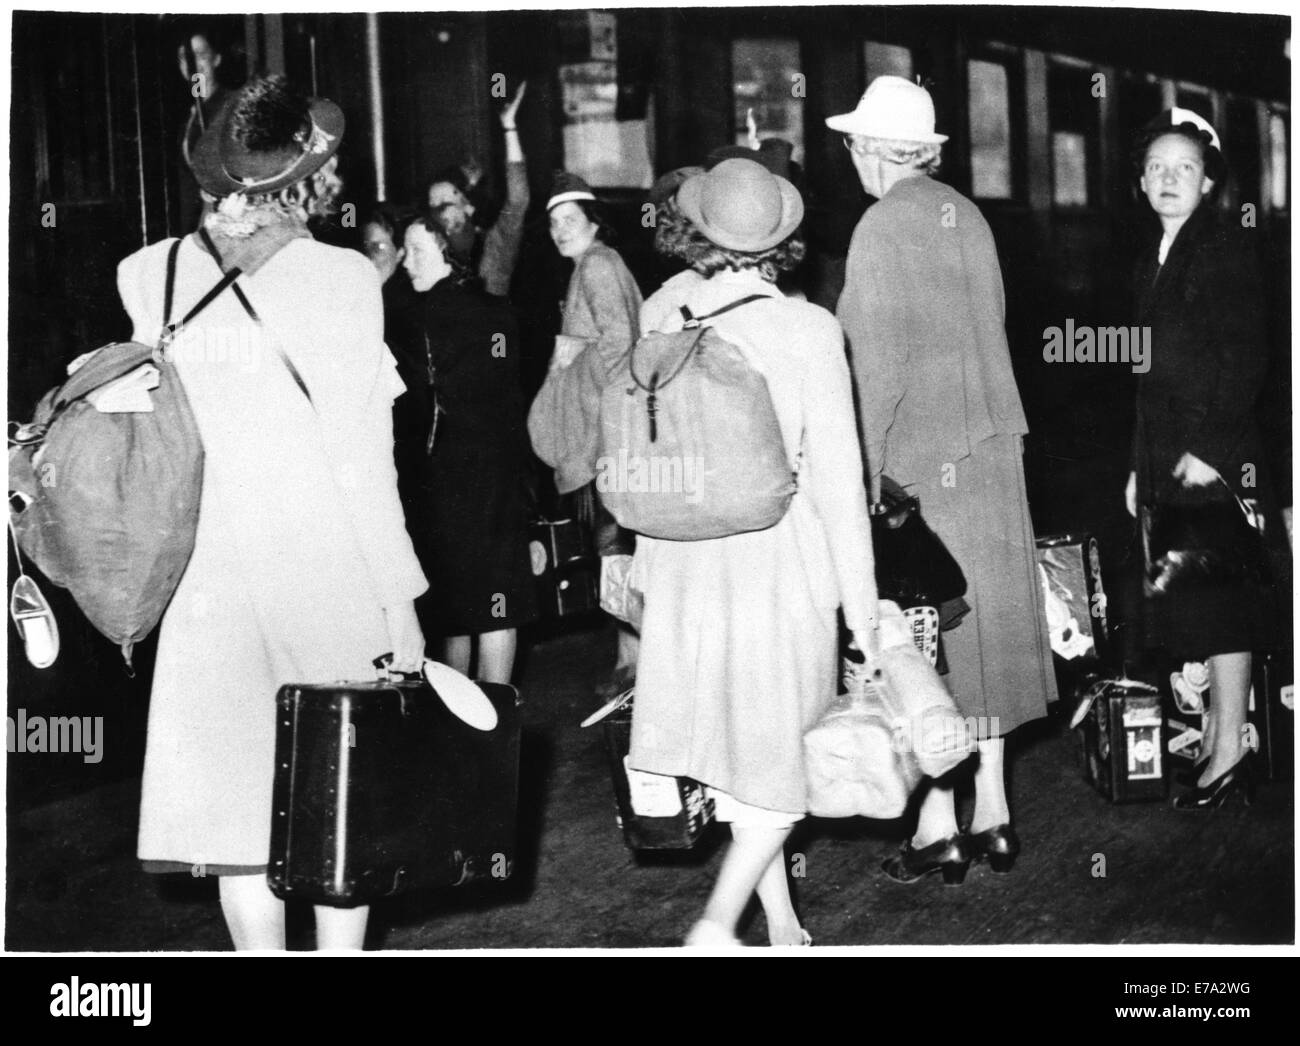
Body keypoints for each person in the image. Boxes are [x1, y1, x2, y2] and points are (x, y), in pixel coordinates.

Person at [120, 76, 427, 950]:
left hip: (203, 585)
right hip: (323, 571)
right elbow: (365, 466)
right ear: (302, 183)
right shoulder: (343, 280)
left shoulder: (148, 274)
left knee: (238, 810)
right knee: (337, 798)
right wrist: (400, 603)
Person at [626, 159, 880, 946]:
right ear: (782, 242)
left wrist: (642, 571)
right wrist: (862, 610)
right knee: (781, 763)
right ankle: (714, 924)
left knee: (740, 757)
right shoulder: (809, 330)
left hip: (684, 563)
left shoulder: (665, 314)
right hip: (777, 563)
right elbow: (840, 482)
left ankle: (781, 921)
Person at [829, 76, 1057, 883]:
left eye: (852, 144)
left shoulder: (880, 226)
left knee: (926, 640)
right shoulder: (968, 214)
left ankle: (937, 824)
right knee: (985, 636)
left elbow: (875, 366)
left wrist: (861, 474)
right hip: (992, 451)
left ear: (869, 149)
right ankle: (992, 811)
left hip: (920, 468)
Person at [1126, 109, 1279, 808]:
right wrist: (1141, 466)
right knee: (1199, 600)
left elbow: (1247, 357)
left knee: (1222, 607)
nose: (1169, 178)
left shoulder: (1221, 248)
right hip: (1170, 456)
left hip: (1213, 458)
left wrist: (1209, 450)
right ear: (1141, 181)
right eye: (1156, 167)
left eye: (1184, 167)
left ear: (1207, 182)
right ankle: (1221, 734)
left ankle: (1228, 753)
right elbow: (1147, 375)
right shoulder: (1156, 254)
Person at [389, 213, 539, 682]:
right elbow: (511, 399)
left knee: (453, 609)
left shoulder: (410, 318)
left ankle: (456, 715)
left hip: (439, 480)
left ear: (447, 252)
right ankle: (496, 712)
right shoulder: (498, 315)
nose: (406, 261)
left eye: (417, 250)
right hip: (494, 479)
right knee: (496, 605)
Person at [530, 171, 644, 699]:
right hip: (607, 430)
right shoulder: (594, 265)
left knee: (613, 544)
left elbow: (619, 345)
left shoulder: (597, 264)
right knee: (615, 547)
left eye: (569, 219)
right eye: (553, 222)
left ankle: (638, 664)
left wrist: (573, 365)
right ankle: (630, 659)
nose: (559, 230)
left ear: (594, 222)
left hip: (605, 434)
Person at [428, 81, 530, 299]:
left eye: (445, 202)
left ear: (467, 204)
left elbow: (518, 199)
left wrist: (509, 126)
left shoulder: (494, 245)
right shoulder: (426, 244)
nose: (438, 210)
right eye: (433, 204)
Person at [176, 27, 235, 232]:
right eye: (185, 57)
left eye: (200, 54)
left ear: (216, 59)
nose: (192, 63)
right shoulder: (189, 117)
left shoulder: (231, 105)